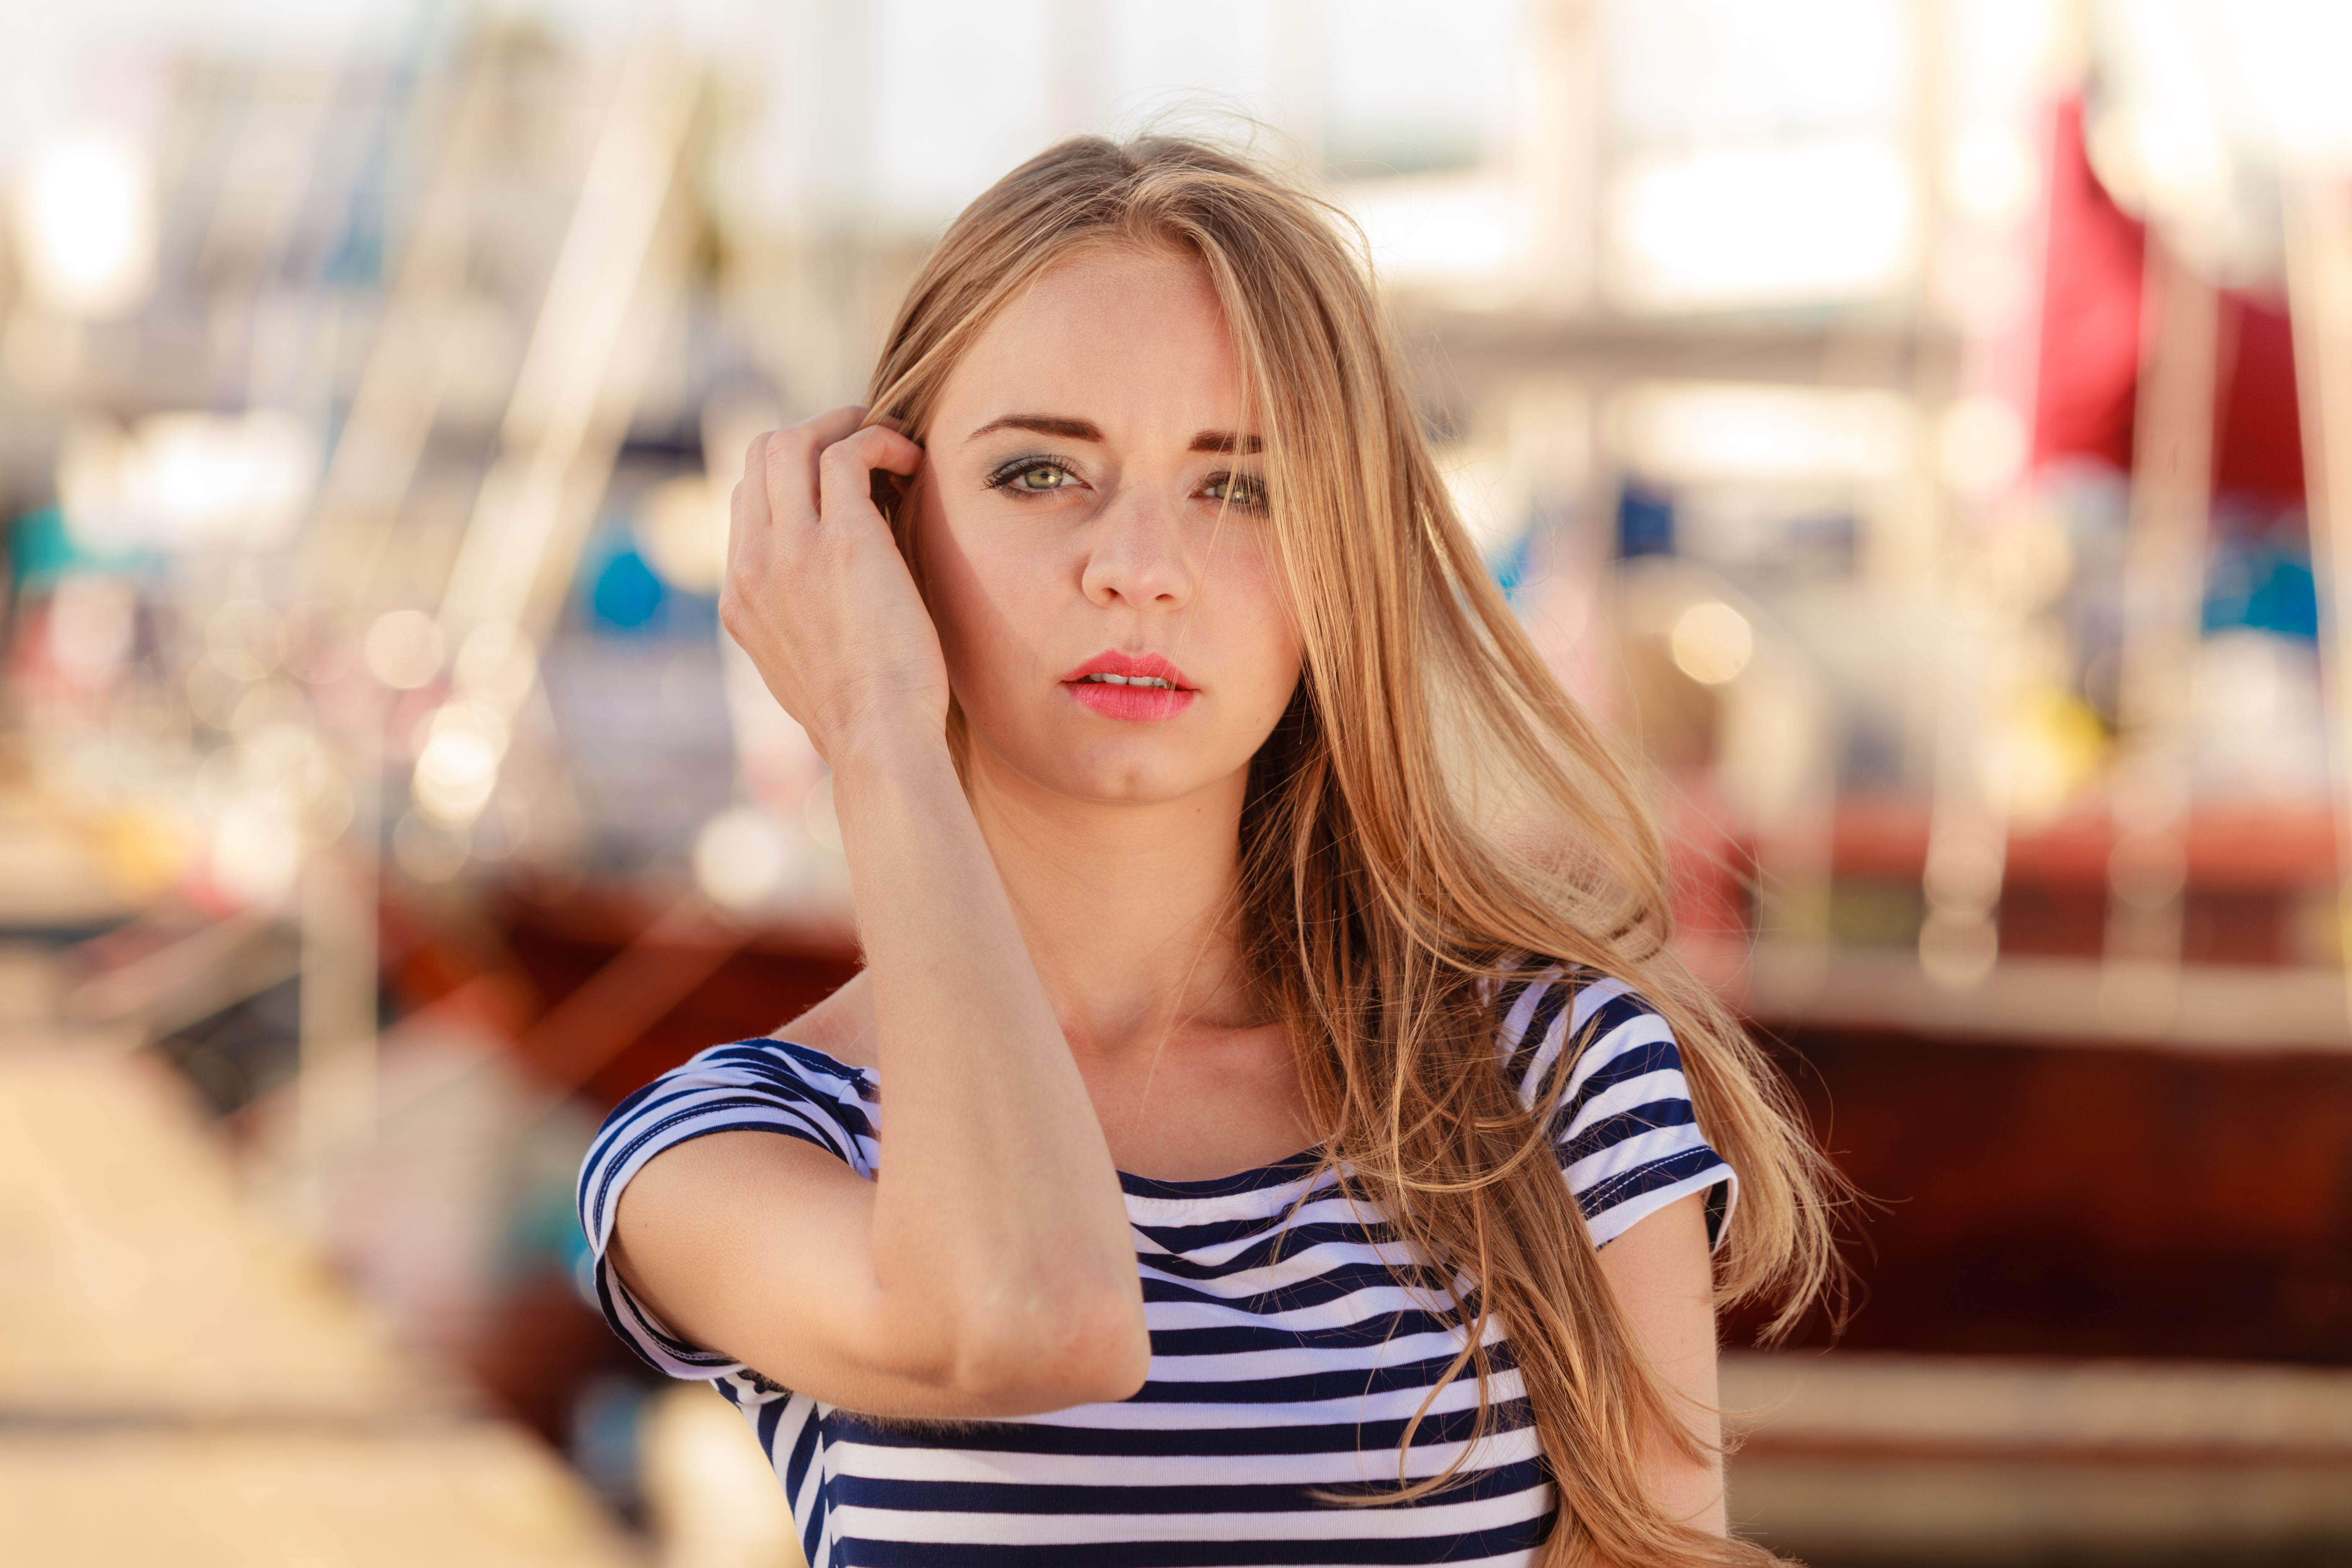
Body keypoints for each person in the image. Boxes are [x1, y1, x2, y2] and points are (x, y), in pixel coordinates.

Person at [578, 135, 1839, 1567]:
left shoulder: (1554, 1075)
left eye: (1237, 487)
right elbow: (1030, 1319)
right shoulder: (739, 1144)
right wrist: (874, 726)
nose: (1139, 563)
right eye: (1043, 471)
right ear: (892, 527)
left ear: (1335, 562)